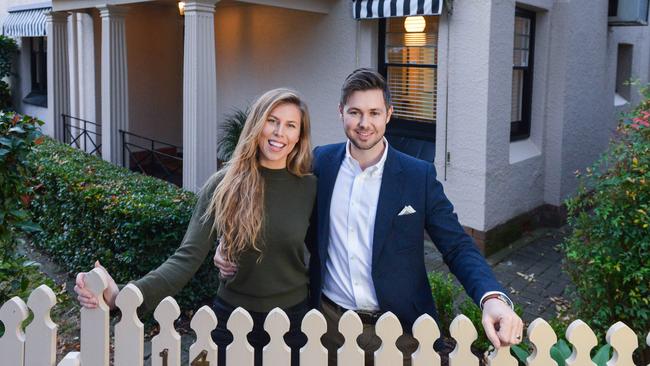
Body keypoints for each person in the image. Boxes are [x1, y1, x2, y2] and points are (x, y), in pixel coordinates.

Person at [216, 69, 525, 366]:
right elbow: (271, 199)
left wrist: (491, 298)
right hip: (329, 328)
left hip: (402, 333)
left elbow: (457, 245)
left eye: (374, 113)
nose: (365, 123)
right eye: (355, 112)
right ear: (341, 112)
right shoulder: (319, 164)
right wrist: (229, 243)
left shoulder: (418, 176)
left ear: (388, 114)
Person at [74, 88, 317, 366]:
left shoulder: (310, 187)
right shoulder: (223, 185)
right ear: (257, 124)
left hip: (293, 325)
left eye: (290, 125)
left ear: (300, 136)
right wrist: (121, 294)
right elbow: (185, 259)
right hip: (232, 323)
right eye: (272, 120)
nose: (279, 132)